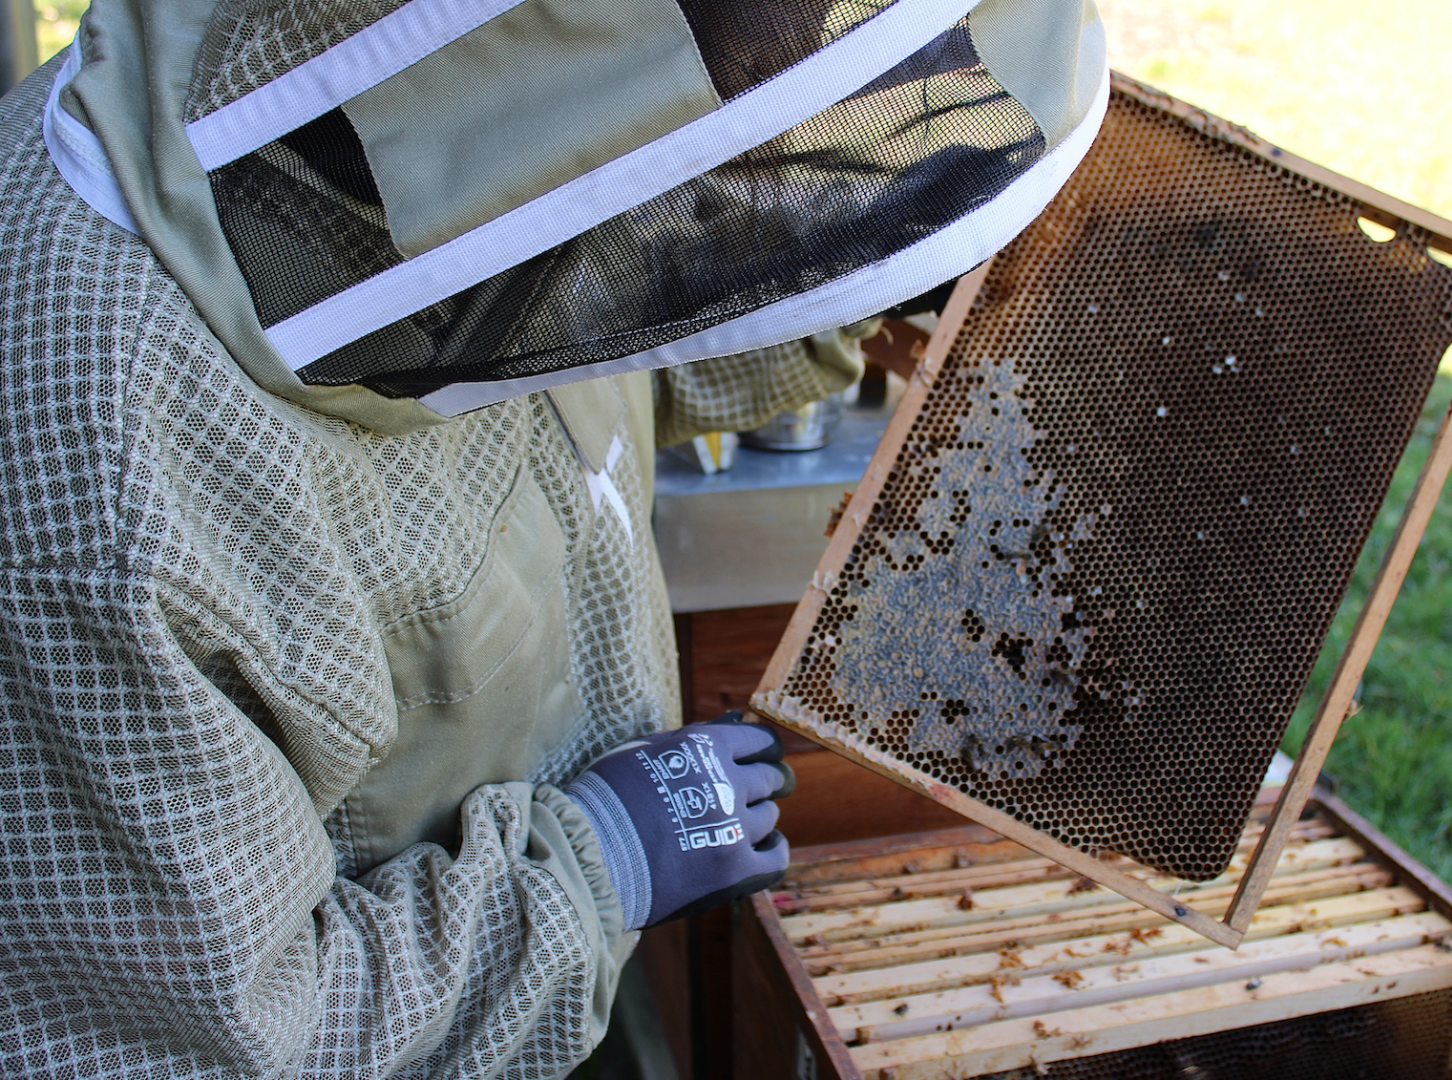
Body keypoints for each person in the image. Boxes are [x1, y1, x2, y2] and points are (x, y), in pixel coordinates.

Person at [0, 0, 1108, 1075]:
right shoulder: (95, 507)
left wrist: (857, 274)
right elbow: (196, 1042)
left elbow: (564, 321)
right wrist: (596, 866)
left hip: (563, 971)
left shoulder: (425, 140)